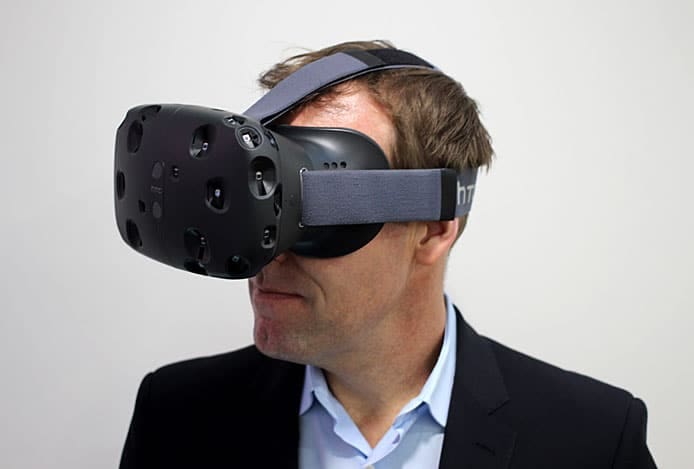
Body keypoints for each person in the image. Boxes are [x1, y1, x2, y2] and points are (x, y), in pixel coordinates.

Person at [119, 40, 657, 468]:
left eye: (308, 212)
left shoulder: (592, 440)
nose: (267, 254)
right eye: (260, 198)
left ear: (433, 229)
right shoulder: (178, 417)